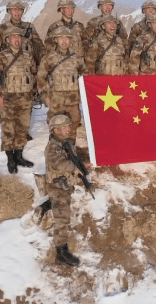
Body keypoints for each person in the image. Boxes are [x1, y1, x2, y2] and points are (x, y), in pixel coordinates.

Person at [0, 26, 37, 174]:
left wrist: (32, 93)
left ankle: (19, 156)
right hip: (8, 100)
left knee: (23, 129)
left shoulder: (28, 56)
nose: (17, 40)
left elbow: (34, 75)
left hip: (25, 100)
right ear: (8, 40)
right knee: (8, 130)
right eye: (13, 37)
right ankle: (10, 159)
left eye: (19, 37)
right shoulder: (2, 57)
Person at [44, 114, 91, 266]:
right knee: (62, 220)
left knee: (63, 215)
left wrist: (81, 165)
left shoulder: (64, 143)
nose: (68, 129)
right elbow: (60, 163)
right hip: (57, 188)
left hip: (63, 187)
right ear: (56, 130)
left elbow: (71, 159)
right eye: (64, 127)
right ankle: (61, 252)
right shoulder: (53, 147)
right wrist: (75, 168)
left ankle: (48, 204)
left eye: (68, 126)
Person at [37, 27, 85, 136]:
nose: (64, 41)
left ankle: (71, 151)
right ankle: (57, 151)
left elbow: (84, 76)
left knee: (73, 128)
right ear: (56, 40)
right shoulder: (48, 58)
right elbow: (41, 79)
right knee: (56, 131)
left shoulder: (77, 58)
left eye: (66, 38)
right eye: (61, 38)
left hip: (73, 102)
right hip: (56, 102)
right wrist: (45, 97)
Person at [0, 0, 45, 65]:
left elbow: (39, 46)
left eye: (19, 10)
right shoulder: (2, 28)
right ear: (9, 11)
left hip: (27, 65)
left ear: (22, 12)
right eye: (14, 10)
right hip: (8, 65)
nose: (17, 13)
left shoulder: (29, 27)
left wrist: (42, 63)